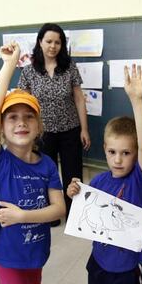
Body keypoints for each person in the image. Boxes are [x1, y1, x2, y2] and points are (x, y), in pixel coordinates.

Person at [0, 42, 66, 284]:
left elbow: (59, 209)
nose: (21, 123)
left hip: (36, 249)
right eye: (13, 117)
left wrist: (22, 216)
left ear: (38, 126)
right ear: (2, 127)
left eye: (29, 117)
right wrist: (9, 64)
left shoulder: (47, 164)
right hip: (7, 253)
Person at [67, 64, 142, 284]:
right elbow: (86, 212)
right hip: (98, 262)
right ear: (105, 148)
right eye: (112, 152)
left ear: (135, 154)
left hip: (125, 268)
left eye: (126, 153)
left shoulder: (139, 181)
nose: (118, 160)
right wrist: (74, 192)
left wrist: (137, 100)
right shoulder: (98, 182)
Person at [18, 23, 91, 224]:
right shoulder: (29, 71)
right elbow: (24, 105)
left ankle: (75, 215)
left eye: (58, 42)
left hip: (70, 129)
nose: (53, 46)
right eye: (49, 41)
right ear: (40, 42)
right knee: (44, 175)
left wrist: (84, 129)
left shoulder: (69, 67)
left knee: (73, 173)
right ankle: (50, 215)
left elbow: (78, 99)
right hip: (42, 133)